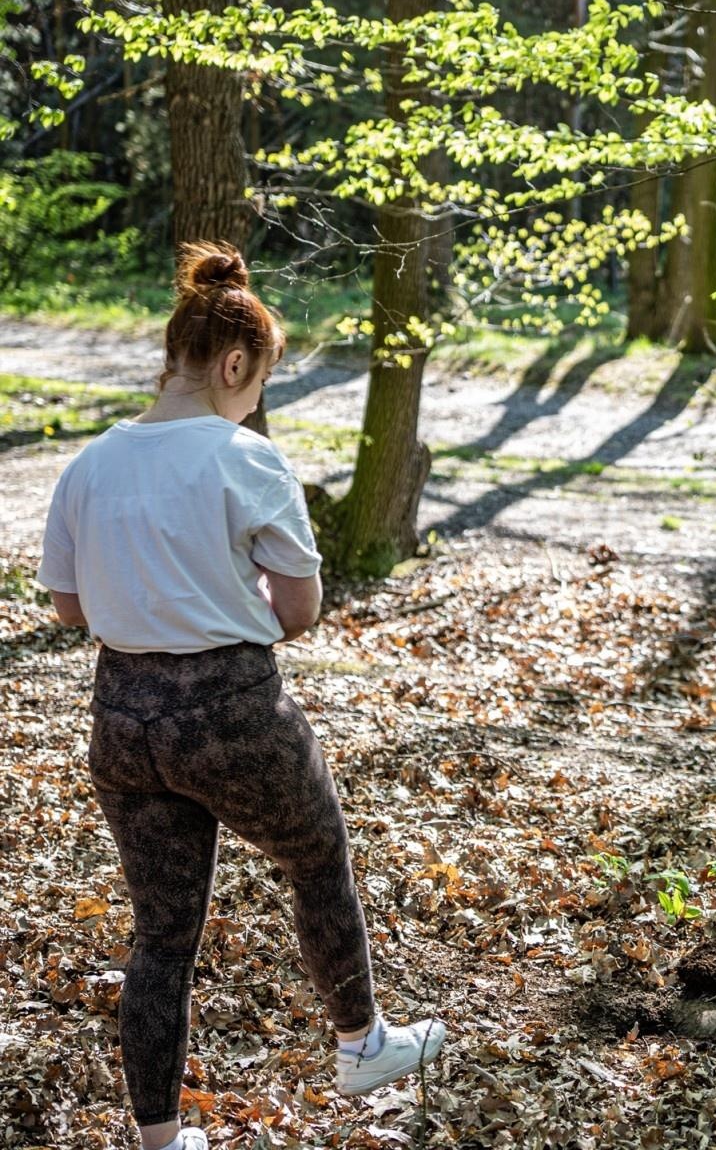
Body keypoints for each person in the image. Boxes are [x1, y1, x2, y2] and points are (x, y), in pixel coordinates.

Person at [37, 244, 445, 1150]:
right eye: (259, 381)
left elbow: (70, 607)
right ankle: (362, 1042)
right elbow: (298, 608)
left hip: (123, 718)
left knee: (162, 935)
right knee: (317, 855)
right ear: (232, 365)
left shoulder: (89, 465)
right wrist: (227, 599)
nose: (257, 399)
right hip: (231, 711)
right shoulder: (245, 458)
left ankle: (160, 1137)